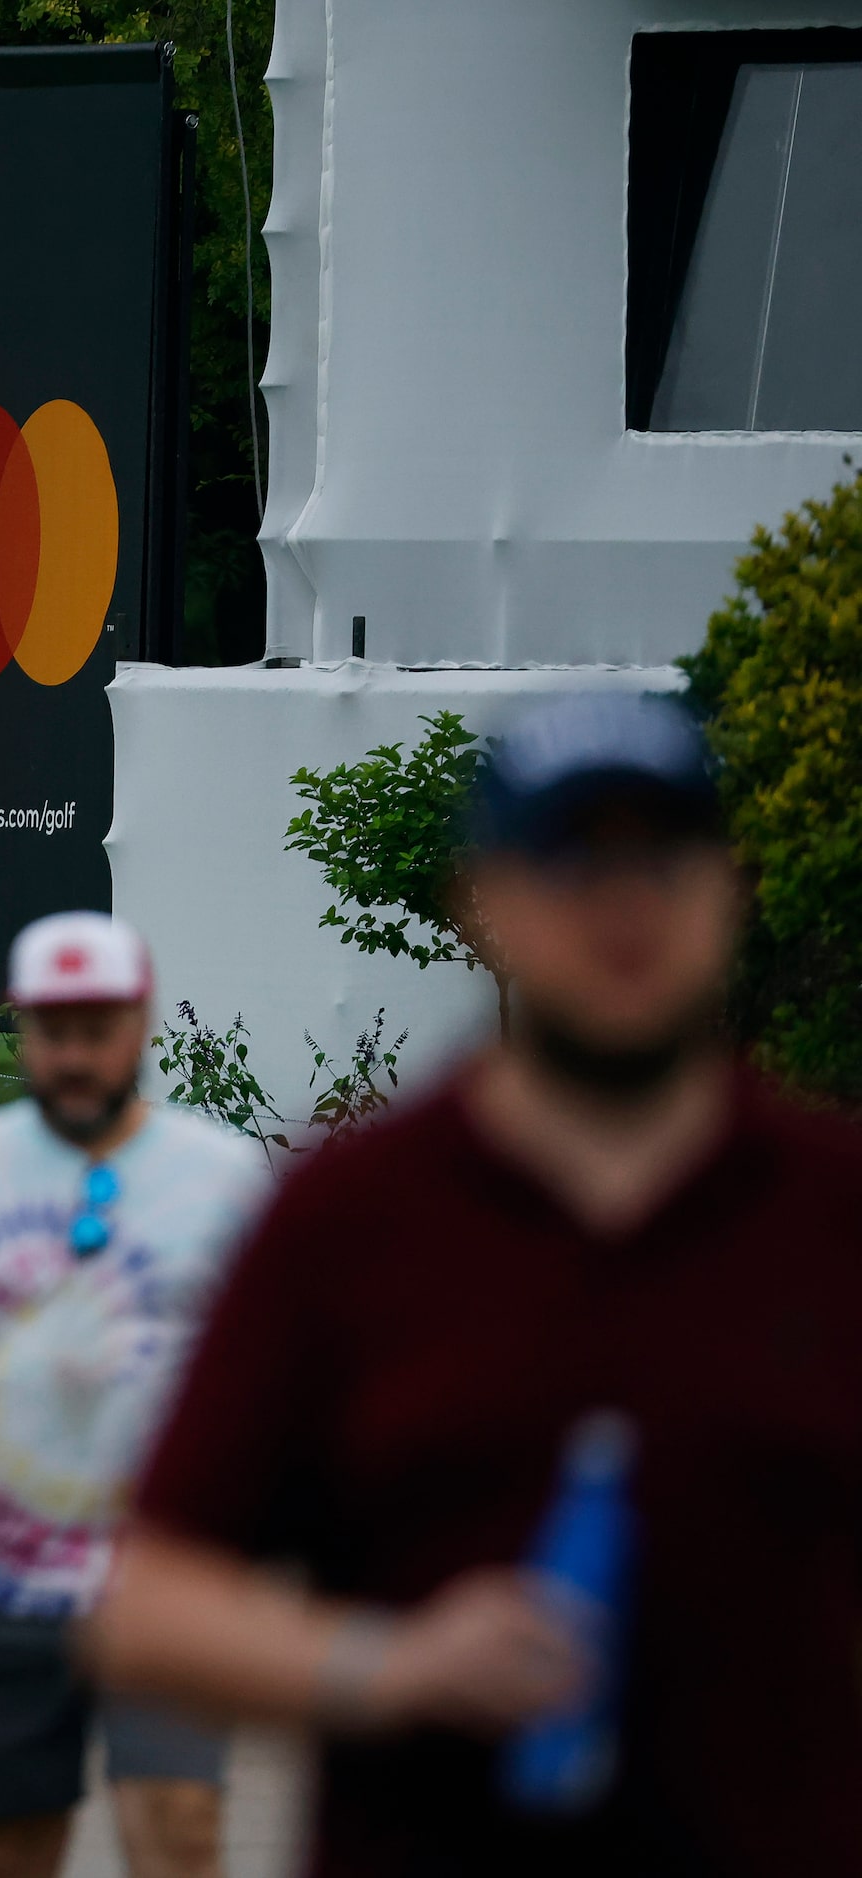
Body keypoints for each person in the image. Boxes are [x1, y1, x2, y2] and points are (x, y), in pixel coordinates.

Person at [89, 691, 862, 1876]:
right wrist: (387, 1669)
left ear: (732, 892)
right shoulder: (352, 1217)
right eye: (573, 863)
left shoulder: (826, 1207)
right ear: (485, 902)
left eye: (664, 859)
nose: (625, 906)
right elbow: (146, 1606)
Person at [0, 912, 271, 1878]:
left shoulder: (220, 1179)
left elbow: (268, 1372)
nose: (75, 1054)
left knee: (178, 1829)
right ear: (22, 1028)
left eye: (97, 1029)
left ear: (139, 1022)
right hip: (1, 1581)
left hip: (168, 1576)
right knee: (9, 1848)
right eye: (54, 1031)